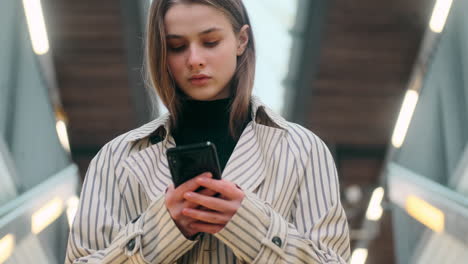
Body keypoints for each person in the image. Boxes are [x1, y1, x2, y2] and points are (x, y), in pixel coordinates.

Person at [65, 0, 351, 263]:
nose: (194, 59)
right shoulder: (116, 159)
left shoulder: (303, 150)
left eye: (210, 42)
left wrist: (248, 224)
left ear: (241, 40)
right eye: (176, 46)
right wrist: (160, 230)